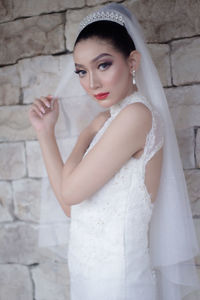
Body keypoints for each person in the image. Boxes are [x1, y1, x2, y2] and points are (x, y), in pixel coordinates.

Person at [28, 3, 200, 300]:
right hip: (89, 278)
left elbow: (69, 193)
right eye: (82, 71)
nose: (92, 83)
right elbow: (74, 209)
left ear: (132, 62)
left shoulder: (135, 117)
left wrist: (86, 134)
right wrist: (45, 134)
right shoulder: (114, 121)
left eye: (103, 65)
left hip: (120, 285)